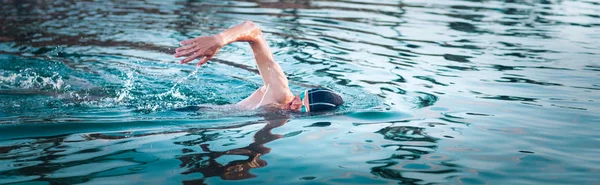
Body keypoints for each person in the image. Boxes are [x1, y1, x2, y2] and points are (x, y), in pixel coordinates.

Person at [174, 21, 343, 113]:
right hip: (190, 112)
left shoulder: (279, 122)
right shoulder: (280, 91)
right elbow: (252, 30)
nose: (295, 104)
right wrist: (219, 39)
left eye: (303, 107)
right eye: (301, 97)